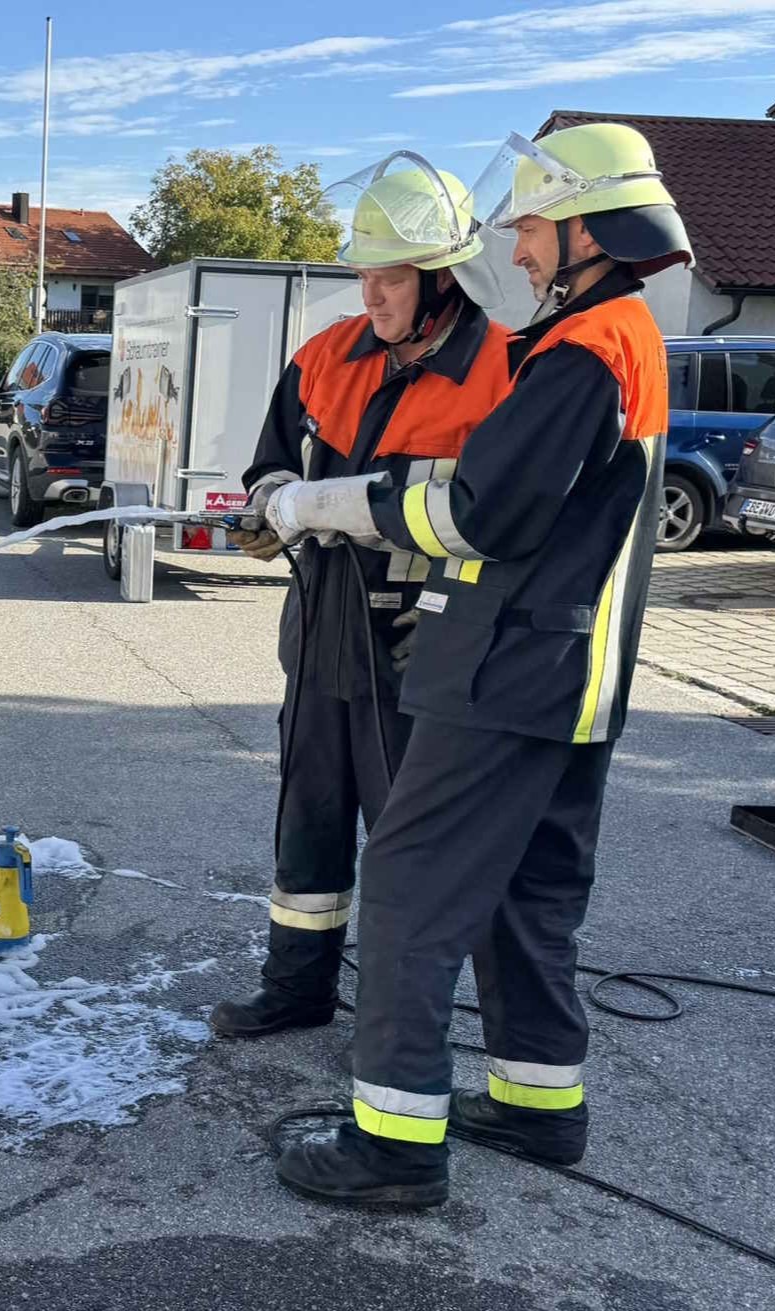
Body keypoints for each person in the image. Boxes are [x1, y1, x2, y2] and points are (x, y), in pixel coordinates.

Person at [264, 122, 691, 1206]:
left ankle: (394, 1147)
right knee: (528, 889)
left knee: (409, 886)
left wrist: (336, 504)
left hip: (506, 668)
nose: (525, 246)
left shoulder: (580, 349)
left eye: (539, 225)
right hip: (575, 671)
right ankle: (541, 1104)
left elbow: (480, 510)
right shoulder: (620, 336)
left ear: (592, 227)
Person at [210, 156, 511, 1040]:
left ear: (443, 278)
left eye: (390, 278)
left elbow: (502, 517)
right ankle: (297, 987)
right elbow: (268, 461)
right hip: (319, 625)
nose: (370, 295)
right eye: (363, 274)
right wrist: (268, 506)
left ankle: (396, 1026)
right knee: (306, 819)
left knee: (410, 840)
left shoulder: (501, 369)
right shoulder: (323, 357)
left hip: (425, 638)